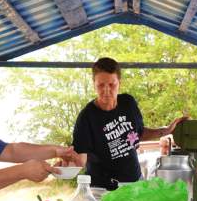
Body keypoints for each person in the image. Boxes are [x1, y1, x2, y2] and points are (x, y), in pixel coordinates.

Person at [71, 57, 187, 189]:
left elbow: (139, 133)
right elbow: (80, 158)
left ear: (119, 82)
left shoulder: (128, 103)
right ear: (94, 84)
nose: (106, 90)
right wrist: (67, 161)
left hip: (134, 182)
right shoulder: (86, 117)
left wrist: (166, 130)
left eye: (112, 84)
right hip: (102, 189)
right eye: (101, 85)